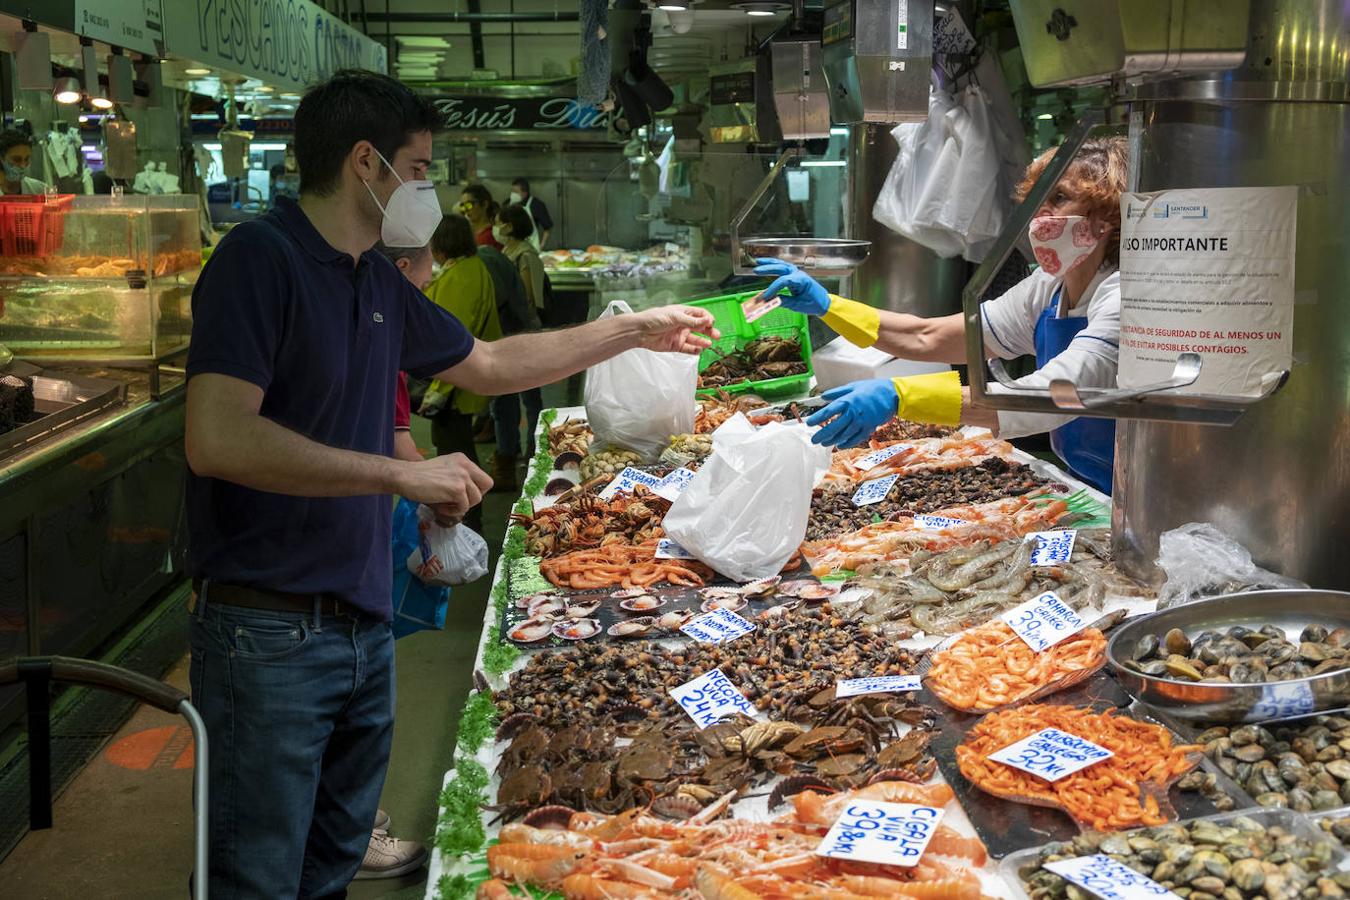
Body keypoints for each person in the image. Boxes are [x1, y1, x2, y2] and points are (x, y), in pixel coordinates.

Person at [183, 69, 715, 897]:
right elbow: (217, 437)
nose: (429, 188)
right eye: (421, 168)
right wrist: (401, 472)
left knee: (330, 863)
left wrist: (635, 328)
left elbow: (494, 362)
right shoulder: (261, 260)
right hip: (269, 630)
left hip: (359, 620)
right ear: (368, 163)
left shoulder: (370, 276)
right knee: (257, 872)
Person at [757, 136, 1127, 493]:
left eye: (1058, 198)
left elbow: (1053, 395)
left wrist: (900, 396)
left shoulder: (1124, 295)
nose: (1039, 214)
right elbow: (930, 336)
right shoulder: (1047, 286)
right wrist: (830, 307)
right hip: (1084, 477)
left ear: (1106, 216)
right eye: (1038, 199)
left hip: (1134, 489)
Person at [418, 214, 504, 524]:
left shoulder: (460, 278)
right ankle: (466, 516)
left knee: (455, 450)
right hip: (460, 382)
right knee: (457, 448)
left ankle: (465, 520)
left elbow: (450, 343)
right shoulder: (469, 267)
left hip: (454, 386)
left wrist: (437, 392)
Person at [494, 203, 550, 465]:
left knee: (530, 397)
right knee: (505, 397)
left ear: (511, 225)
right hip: (509, 333)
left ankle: (534, 448)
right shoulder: (508, 250)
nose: (497, 227)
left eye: (500, 222)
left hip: (524, 333)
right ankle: (509, 451)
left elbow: (528, 298)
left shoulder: (526, 255)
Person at [0, 130, 50, 194]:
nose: (23, 165)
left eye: (26, 159)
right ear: (2, 158)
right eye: (16, 160)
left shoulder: (39, 189)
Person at [509, 177, 553, 249]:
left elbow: (547, 228)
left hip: (532, 247)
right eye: (512, 191)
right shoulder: (509, 204)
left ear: (525, 193)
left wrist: (541, 246)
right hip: (514, 247)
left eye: (516, 192)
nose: (513, 194)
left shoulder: (537, 205)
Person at [458, 183, 501, 250]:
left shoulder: (491, 236)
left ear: (484, 204)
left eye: (469, 205)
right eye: (462, 206)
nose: (465, 210)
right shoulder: (468, 235)